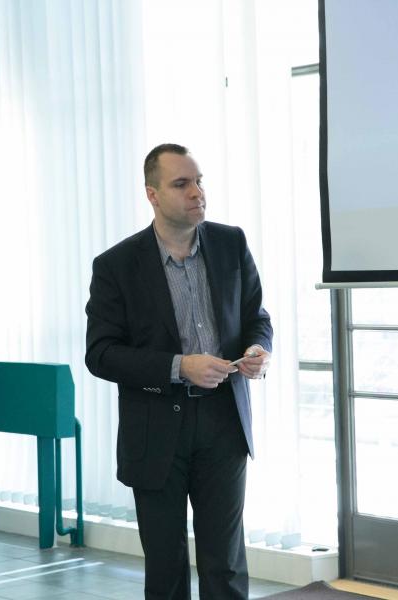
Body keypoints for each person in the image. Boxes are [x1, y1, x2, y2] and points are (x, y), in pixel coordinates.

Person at [85, 143, 273, 599]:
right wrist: (179, 367)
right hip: (155, 428)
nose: (197, 192)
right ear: (152, 194)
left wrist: (257, 349)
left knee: (225, 562)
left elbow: (257, 318)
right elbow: (101, 354)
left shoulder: (231, 243)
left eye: (199, 181)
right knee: (166, 568)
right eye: (181, 183)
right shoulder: (116, 265)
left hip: (223, 421)